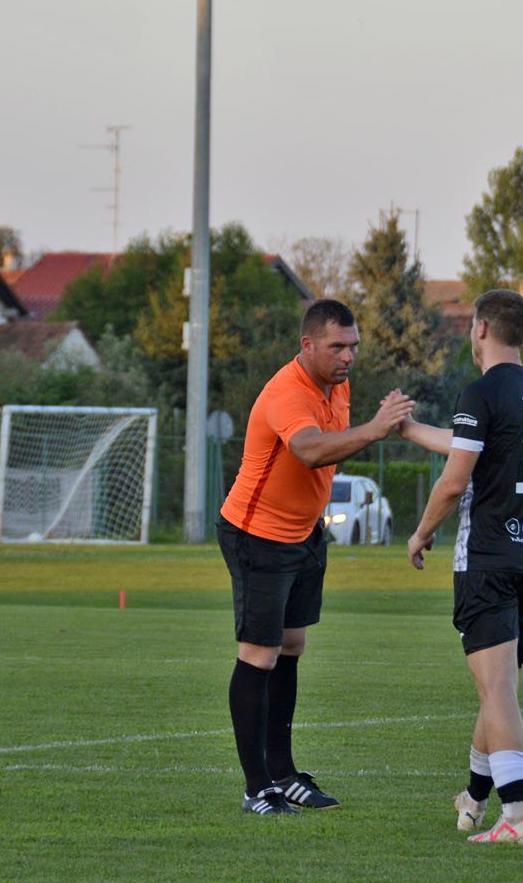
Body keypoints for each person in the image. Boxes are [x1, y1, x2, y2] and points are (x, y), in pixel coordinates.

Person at [217, 299, 415, 815]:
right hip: (257, 534)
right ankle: (256, 786)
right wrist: (375, 429)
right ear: (307, 345)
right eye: (337, 347)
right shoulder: (286, 392)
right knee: (258, 653)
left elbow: (332, 444)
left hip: (305, 534)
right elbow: (309, 449)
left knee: (291, 647)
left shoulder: (338, 385)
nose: (348, 356)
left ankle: (283, 771)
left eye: (353, 346)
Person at [397, 288, 523, 844]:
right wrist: (412, 430)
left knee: (498, 691)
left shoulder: (480, 391)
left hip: (488, 558)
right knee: (499, 688)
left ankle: (516, 818)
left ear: (481, 327)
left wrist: (420, 534)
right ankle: (474, 798)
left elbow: (456, 479)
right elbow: (471, 447)